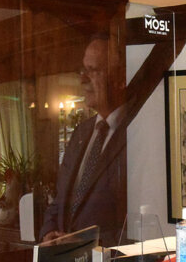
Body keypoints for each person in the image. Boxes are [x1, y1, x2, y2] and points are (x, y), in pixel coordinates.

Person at [40, 35, 127, 247]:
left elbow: (136, 224)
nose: (83, 79)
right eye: (83, 71)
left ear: (120, 78)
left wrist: (86, 243)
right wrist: (48, 232)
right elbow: (60, 200)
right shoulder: (81, 132)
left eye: (94, 70)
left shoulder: (134, 134)